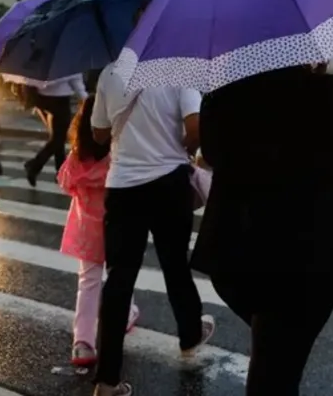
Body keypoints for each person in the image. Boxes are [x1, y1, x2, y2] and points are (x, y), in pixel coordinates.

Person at [191, 64, 333, 395]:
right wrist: (327, 86)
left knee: (273, 351)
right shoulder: (315, 87)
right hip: (307, 248)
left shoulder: (223, 90)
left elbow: (211, 153)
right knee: (277, 368)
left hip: (242, 243)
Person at [89, 63, 215, 396]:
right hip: (168, 185)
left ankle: (106, 379)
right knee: (174, 264)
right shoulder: (179, 69)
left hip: (123, 186)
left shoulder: (110, 72)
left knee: (118, 279)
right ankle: (189, 334)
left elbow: (98, 134)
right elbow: (195, 126)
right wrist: (183, 149)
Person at [57, 95, 141, 367]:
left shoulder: (77, 157)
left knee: (89, 282)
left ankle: (83, 343)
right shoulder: (118, 156)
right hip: (117, 226)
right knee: (120, 277)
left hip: (86, 231)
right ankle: (125, 314)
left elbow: (66, 183)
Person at [23, 74, 87, 186]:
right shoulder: (66, 59)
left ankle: (60, 172)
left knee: (58, 137)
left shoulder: (42, 57)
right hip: (60, 100)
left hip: (41, 99)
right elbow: (75, 78)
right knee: (58, 138)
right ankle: (34, 165)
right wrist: (85, 98)